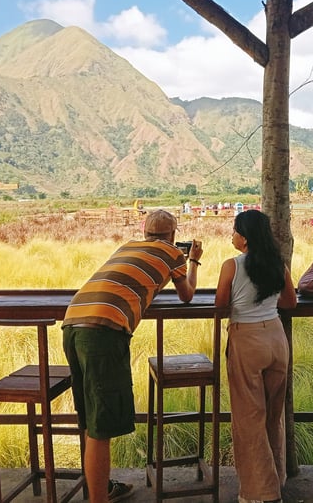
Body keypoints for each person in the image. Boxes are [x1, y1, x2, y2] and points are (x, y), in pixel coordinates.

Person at [62, 209, 203, 503]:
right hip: (104, 330)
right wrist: (194, 261)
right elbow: (187, 294)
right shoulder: (172, 253)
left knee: (90, 419)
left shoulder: (126, 246)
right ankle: (98, 499)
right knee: (101, 426)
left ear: (144, 232)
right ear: (174, 235)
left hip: (73, 323)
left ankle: (103, 488)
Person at [214, 210, 297, 503]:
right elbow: (290, 302)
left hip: (246, 341)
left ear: (245, 238)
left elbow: (220, 305)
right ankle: (277, 480)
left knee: (249, 419)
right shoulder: (277, 265)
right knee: (273, 416)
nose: (232, 235)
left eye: (235, 230)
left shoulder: (231, 267)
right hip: (276, 338)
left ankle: (260, 493)